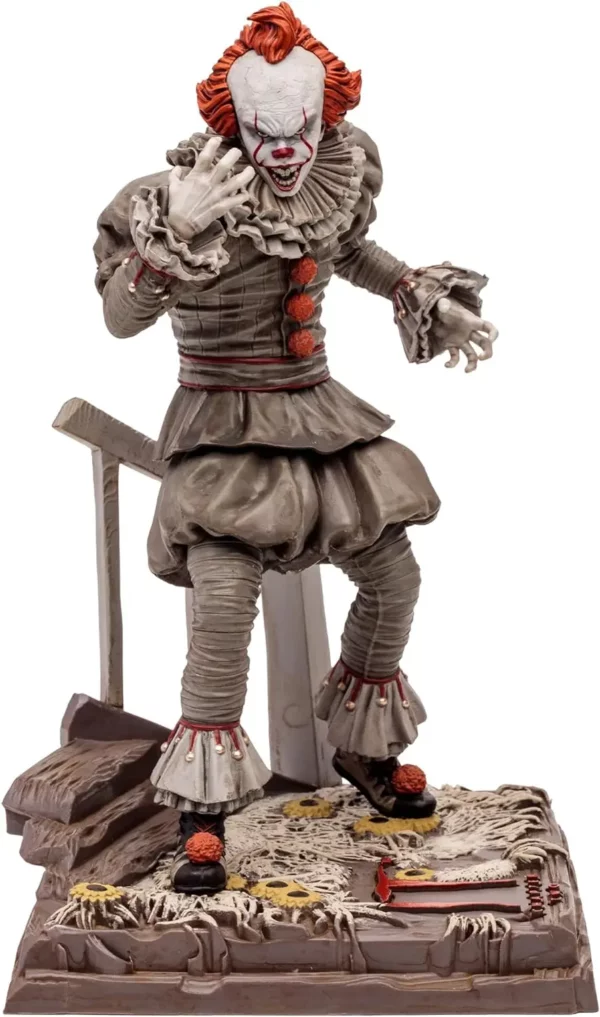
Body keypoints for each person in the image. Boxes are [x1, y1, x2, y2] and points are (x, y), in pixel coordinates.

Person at [94, 2, 498, 895]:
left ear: (325, 115)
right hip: (222, 431)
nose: (284, 152)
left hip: (316, 418)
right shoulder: (178, 195)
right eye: (264, 132)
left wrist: (428, 297)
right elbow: (120, 316)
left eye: (302, 129)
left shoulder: (333, 174)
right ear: (231, 120)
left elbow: (351, 250)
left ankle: (362, 747)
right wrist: (176, 231)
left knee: (394, 578)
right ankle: (203, 807)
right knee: (222, 607)